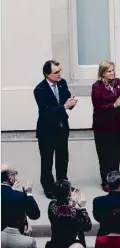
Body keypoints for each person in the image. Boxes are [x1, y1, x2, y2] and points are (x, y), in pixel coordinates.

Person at [34, 60, 78, 199]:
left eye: (60, 71)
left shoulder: (62, 83)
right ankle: (48, 187)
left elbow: (66, 99)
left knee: (63, 158)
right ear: (47, 74)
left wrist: (70, 103)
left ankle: (62, 184)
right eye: (56, 72)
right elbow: (46, 112)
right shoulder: (40, 90)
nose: (59, 74)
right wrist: (64, 107)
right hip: (47, 131)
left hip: (62, 128)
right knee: (47, 160)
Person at [91, 60, 120, 191]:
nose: (112, 73)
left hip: (119, 124)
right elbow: (98, 107)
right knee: (105, 154)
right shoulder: (97, 87)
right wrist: (114, 105)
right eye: (109, 71)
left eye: (113, 70)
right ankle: (105, 181)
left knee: (116, 153)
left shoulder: (119, 82)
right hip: (103, 126)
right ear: (102, 73)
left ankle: (116, 180)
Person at [1, 164, 40, 233]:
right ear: (10, 177)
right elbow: (35, 215)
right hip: (14, 237)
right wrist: (29, 194)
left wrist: (11, 191)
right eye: (14, 174)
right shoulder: (20, 196)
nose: (16, 178)